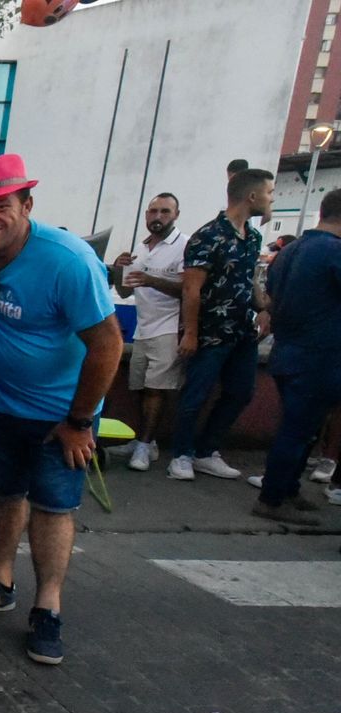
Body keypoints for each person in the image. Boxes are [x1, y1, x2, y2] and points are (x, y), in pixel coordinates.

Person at [0, 154, 122, 666]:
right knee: (2, 496)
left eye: (0, 206)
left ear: (27, 205)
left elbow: (108, 344)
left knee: (53, 506)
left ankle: (48, 606)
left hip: (59, 415)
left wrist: (79, 421)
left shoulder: (68, 260)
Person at [165, 169, 275, 482]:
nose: (272, 199)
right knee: (196, 394)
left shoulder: (252, 236)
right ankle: (181, 454)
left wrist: (263, 307)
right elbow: (191, 288)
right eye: (269, 193)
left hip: (242, 330)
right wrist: (191, 333)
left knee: (241, 392)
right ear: (251, 196)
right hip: (210, 331)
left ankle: (206, 451)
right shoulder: (208, 236)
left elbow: (248, 278)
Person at [251, 188, 341, 525]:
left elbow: (271, 297)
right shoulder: (333, 252)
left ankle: (288, 489)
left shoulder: (291, 250)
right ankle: (272, 498)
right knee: (298, 431)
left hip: (288, 352)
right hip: (319, 356)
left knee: (302, 428)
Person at [112, 193, 186, 471]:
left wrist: (151, 280)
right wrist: (118, 269)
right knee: (139, 389)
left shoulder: (184, 245)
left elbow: (189, 288)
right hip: (143, 328)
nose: (158, 217)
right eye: (153, 211)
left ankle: (144, 446)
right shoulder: (141, 248)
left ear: (176, 215)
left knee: (157, 390)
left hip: (169, 327)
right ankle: (143, 441)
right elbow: (125, 291)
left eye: (165, 211)